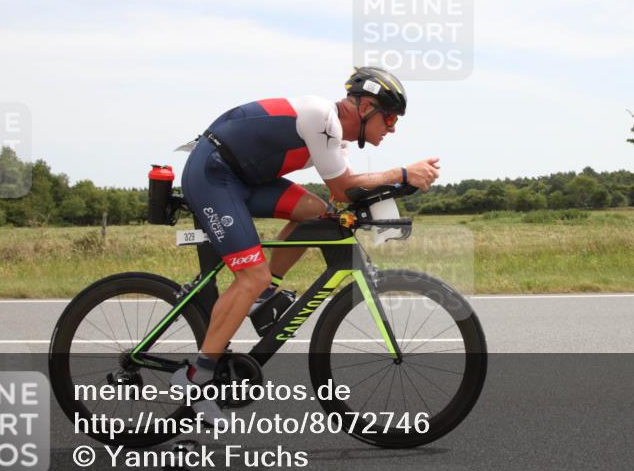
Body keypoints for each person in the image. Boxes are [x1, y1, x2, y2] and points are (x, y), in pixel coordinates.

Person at [171, 67, 440, 422]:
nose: (392, 127)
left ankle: (264, 296)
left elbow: (341, 192)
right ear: (365, 108)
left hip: (242, 178)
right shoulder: (321, 117)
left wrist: (395, 188)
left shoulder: (334, 138)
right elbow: (346, 187)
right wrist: (402, 174)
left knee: (318, 213)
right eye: (389, 117)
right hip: (214, 174)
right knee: (250, 277)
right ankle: (197, 377)